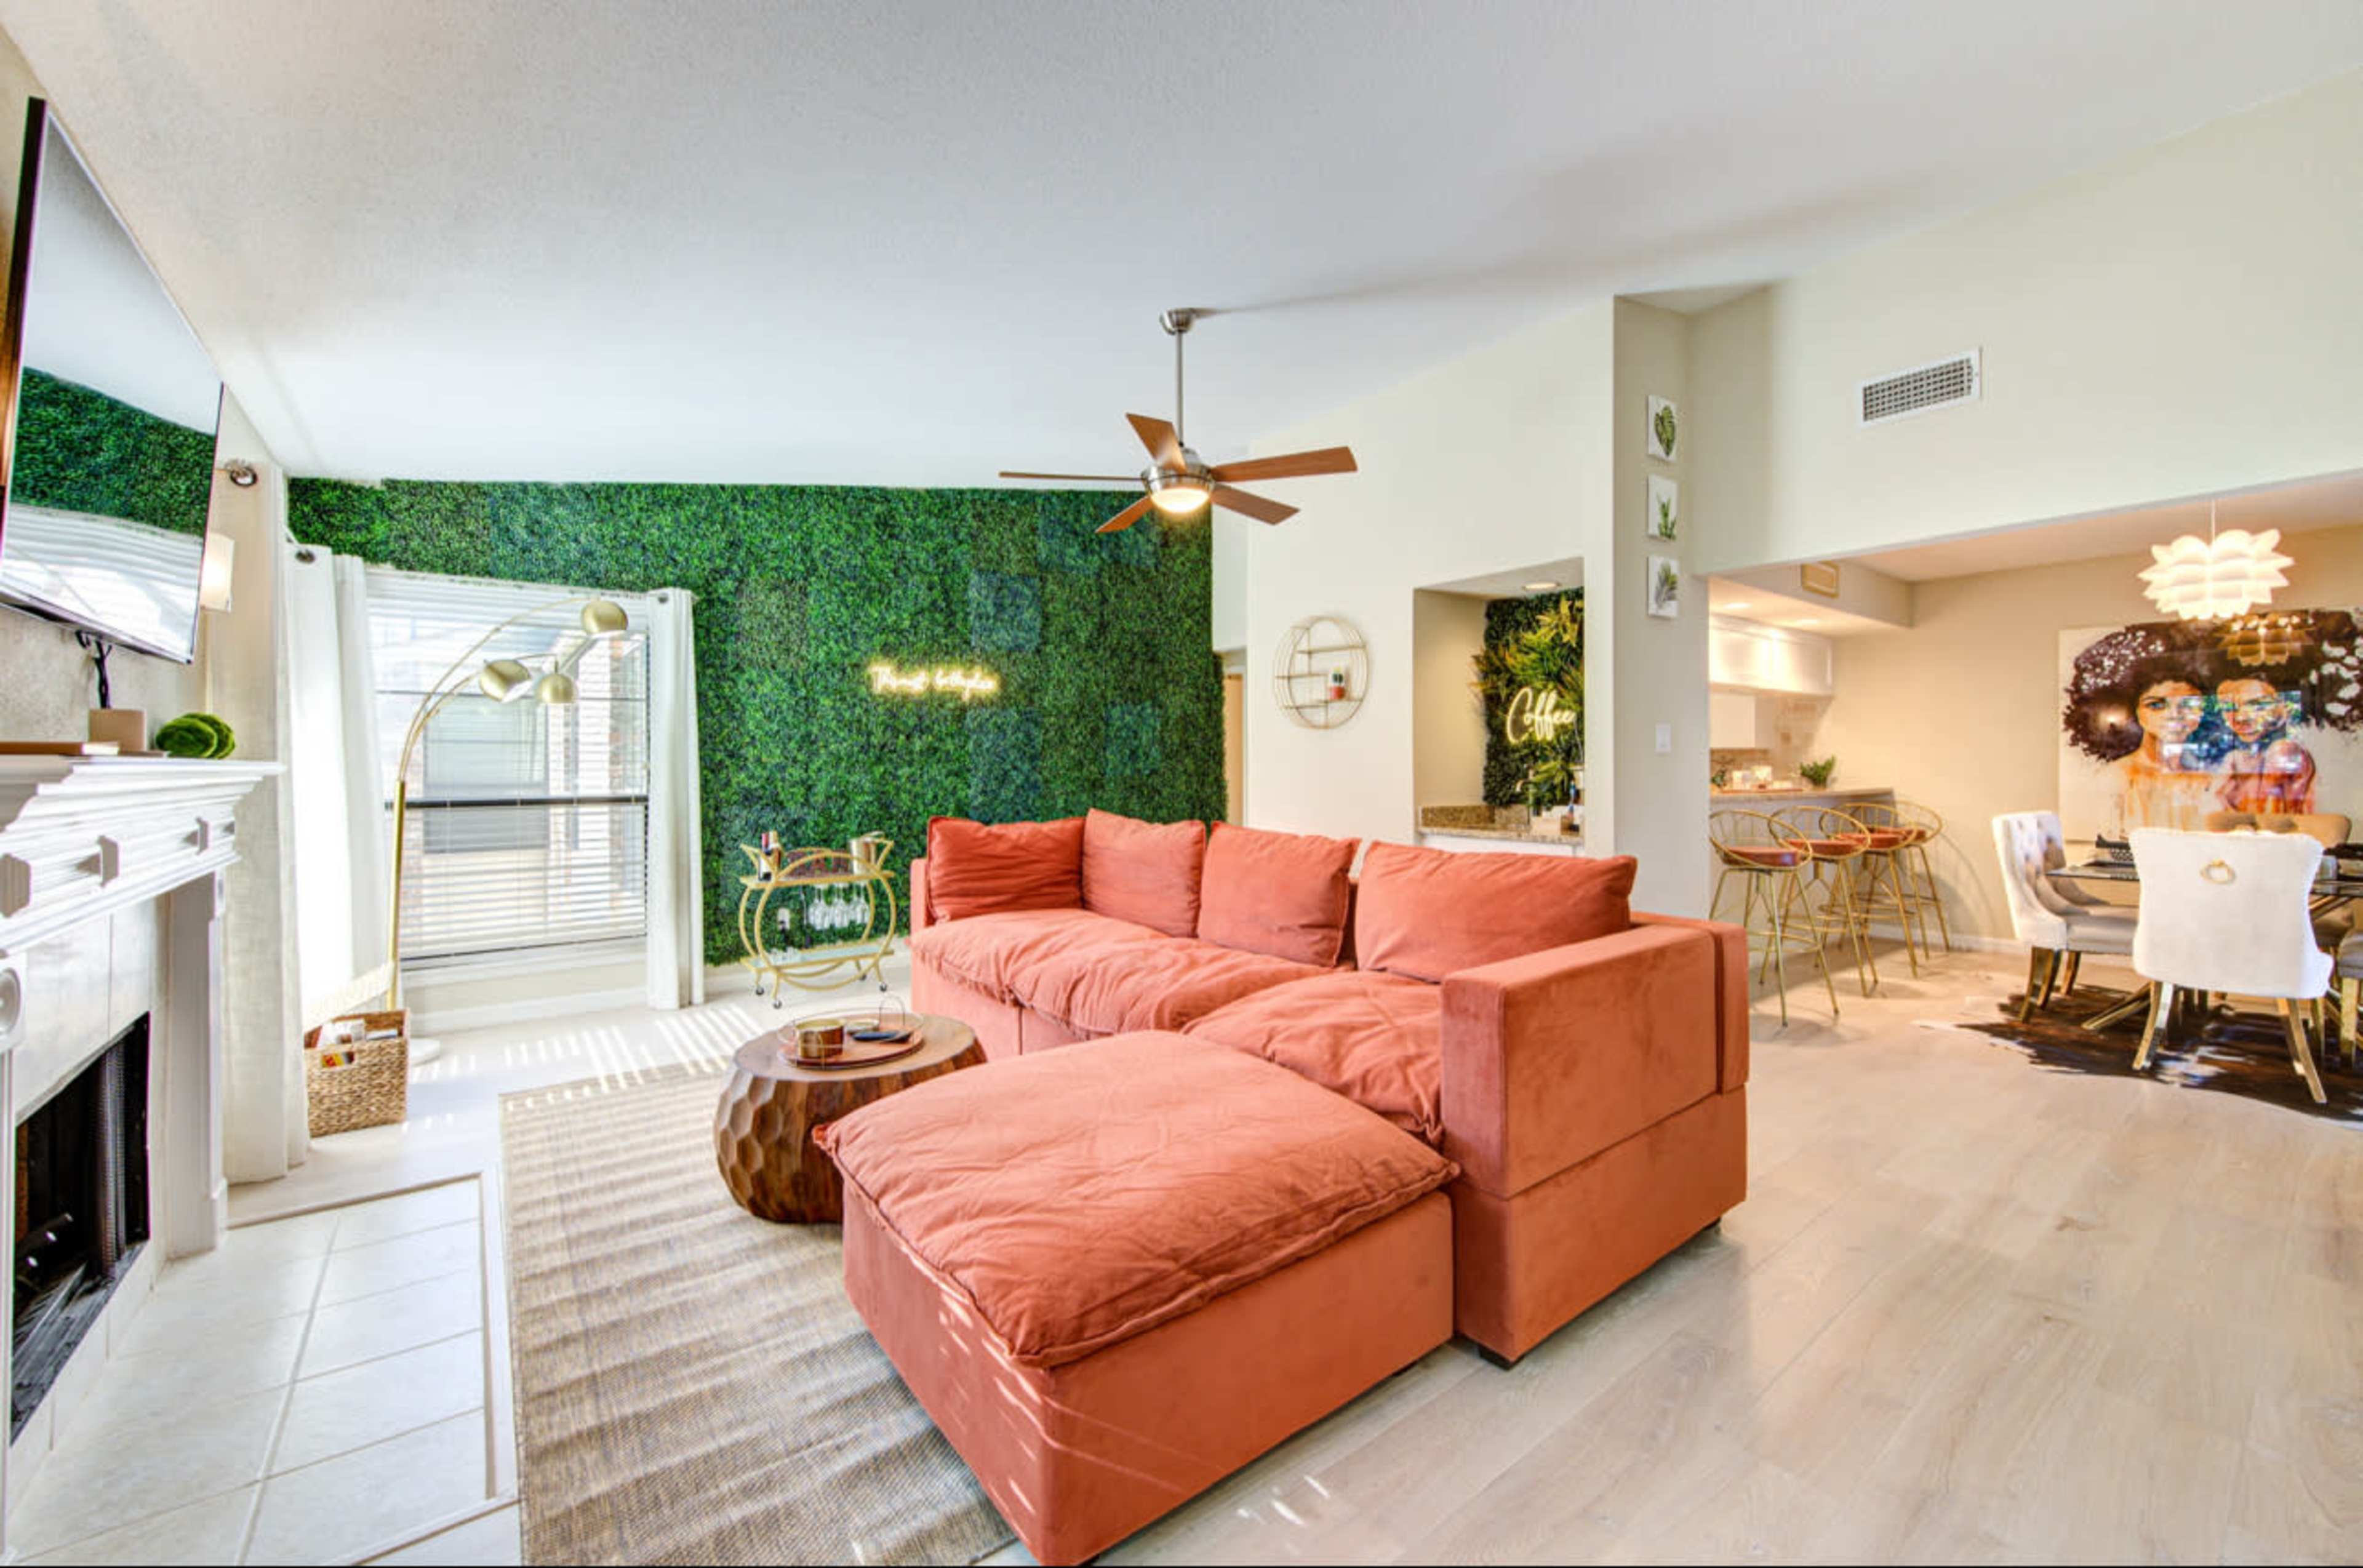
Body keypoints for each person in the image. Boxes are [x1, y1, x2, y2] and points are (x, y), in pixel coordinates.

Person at [2213, 675, 2317, 814]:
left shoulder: (2283, 750)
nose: (2239, 717)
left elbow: (2270, 823)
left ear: (2281, 707)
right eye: (2228, 708)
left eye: (2254, 705)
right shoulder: (2236, 759)